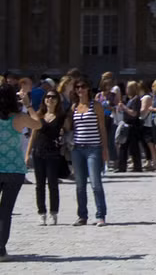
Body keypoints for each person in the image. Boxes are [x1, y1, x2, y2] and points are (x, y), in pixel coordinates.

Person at [0, 83, 42, 260]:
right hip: (14, 170)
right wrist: (28, 104)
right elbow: (38, 124)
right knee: (6, 211)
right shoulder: (19, 117)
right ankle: (0, 249)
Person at [66, 77, 109, 226]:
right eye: (77, 87)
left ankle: (100, 214)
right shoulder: (74, 107)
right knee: (80, 184)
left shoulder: (95, 106)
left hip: (94, 148)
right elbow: (69, 127)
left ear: (88, 89)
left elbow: (102, 128)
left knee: (96, 183)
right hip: (77, 148)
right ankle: (82, 215)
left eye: (83, 87)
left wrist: (105, 149)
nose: (80, 90)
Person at [26, 88, 66, 225]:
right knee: (39, 185)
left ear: (57, 100)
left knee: (53, 184)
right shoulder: (39, 115)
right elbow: (33, 135)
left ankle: (53, 212)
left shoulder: (61, 116)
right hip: (38, 152)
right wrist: (27, 154)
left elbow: (67, 130)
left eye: (53, 97)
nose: (50, 99)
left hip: (53, 153)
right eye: (47, 97)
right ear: (44, 100)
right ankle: (41, 212)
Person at [116, 82, 144, 172]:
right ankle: (122, 167)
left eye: (128, 88)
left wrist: (124, 107)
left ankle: (137, 166)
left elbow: (134, 113)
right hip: (127, 124)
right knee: (123, 146)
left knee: (133, 147)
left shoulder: (136, 100)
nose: (126, 89)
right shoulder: (130, 99)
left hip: (133, 125)